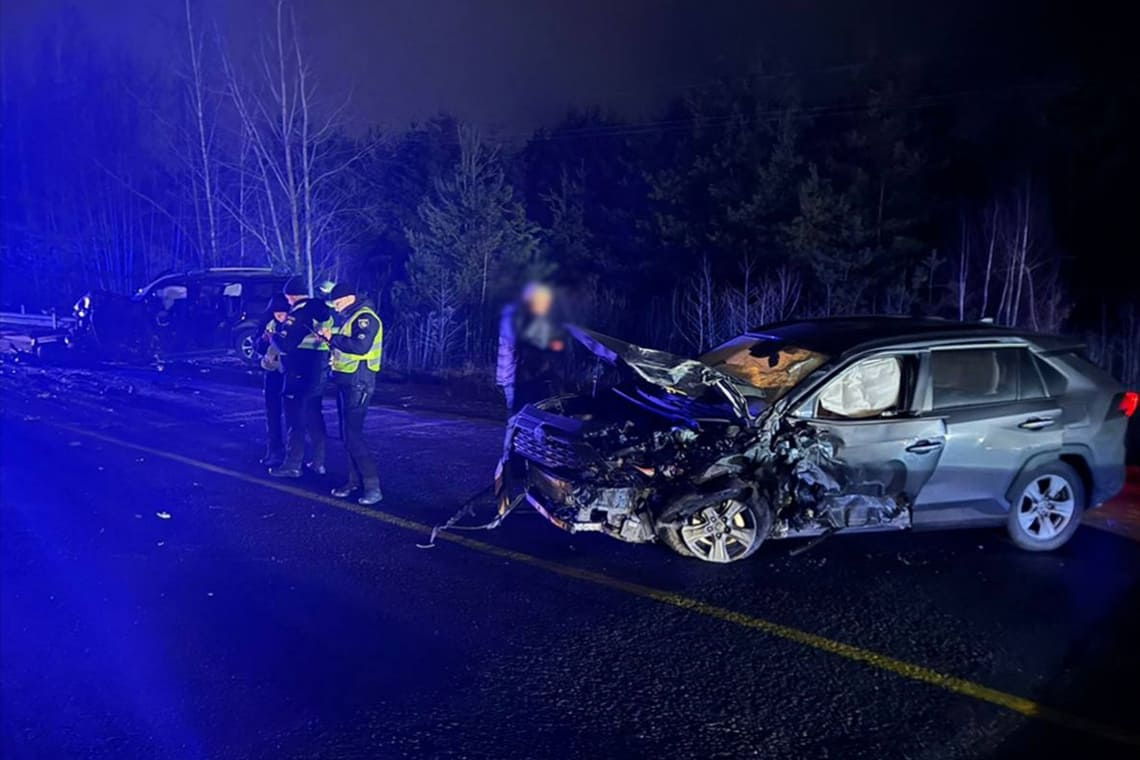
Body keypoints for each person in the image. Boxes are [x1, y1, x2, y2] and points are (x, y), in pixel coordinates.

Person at [319, 283, 384, 505]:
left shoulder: (365, 318)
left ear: (348, 298)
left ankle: (372, 487)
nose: (336, 308)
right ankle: (353, 481)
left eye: (337, 303)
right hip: (347, 382)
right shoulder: (352, 317)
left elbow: (360, 347)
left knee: (354, 435)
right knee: (347, 435)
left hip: (359, 382)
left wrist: (332, 338)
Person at [268, 276, 332, 478]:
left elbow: (286, 346)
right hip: (319, 367)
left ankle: (292, 464)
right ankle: (319, 462)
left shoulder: (299, 313)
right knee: (314, 414)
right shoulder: (323, 310)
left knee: (295, 418)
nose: (287, 303)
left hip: (299, 370)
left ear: (292, 296)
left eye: (288, 299)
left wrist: (273, 336)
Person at [496, 282, 567, 414]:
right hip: (513, 379)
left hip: (511, 378)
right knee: (518, 413)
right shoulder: (512, 322)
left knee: (520, 411)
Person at [254, 294, 289, 466]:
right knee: (272, 413)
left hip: (289, 373)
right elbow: (258, 347)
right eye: (277, 313)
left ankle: (291, 454)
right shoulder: (268, 324)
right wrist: (263, 340)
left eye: (283, 313)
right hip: (272, 372)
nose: (280, 317)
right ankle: (274, 450)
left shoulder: (293, 324)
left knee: (292, 416)